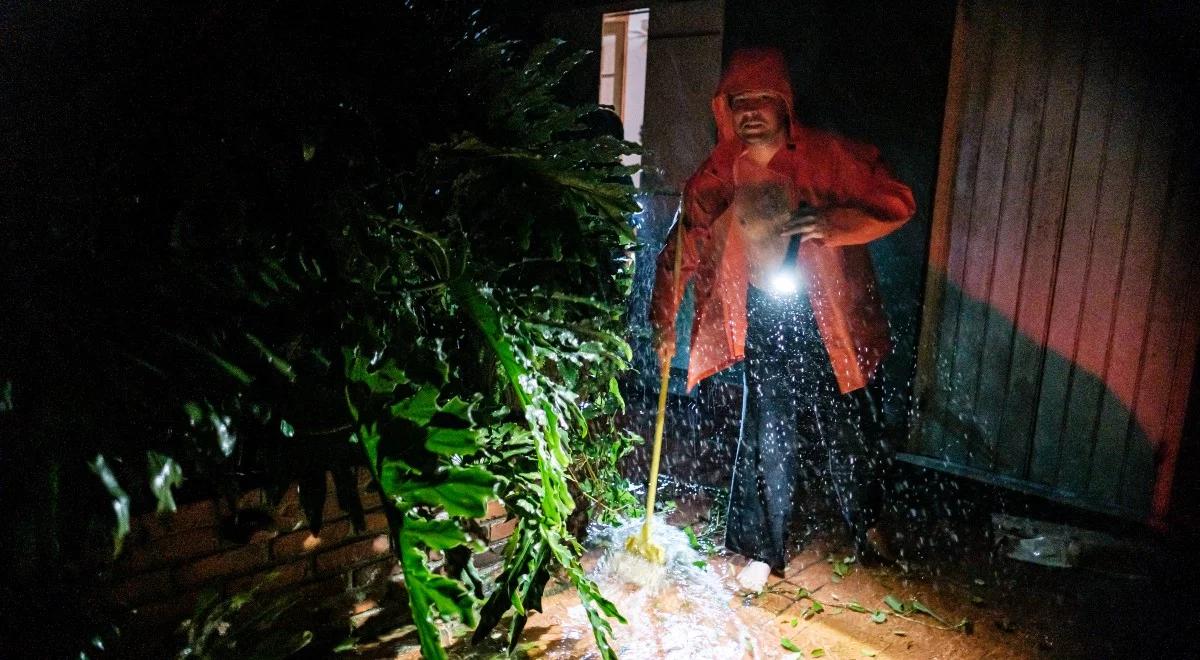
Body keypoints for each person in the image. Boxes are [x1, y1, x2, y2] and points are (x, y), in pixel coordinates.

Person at [649, 48, 915, 573]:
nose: (750, 114)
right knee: (768, 427)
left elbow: (898, 201)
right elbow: (684, 245)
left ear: (784, 107)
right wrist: (664, 322)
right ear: (725, 109)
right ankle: (760, 549)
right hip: (766, 312)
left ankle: (868, 523)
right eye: (738, 103)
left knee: (850, 425)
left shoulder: (825, 156)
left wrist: (835, 223)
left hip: (829, 316)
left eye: (762, 103)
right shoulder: (719, 171)